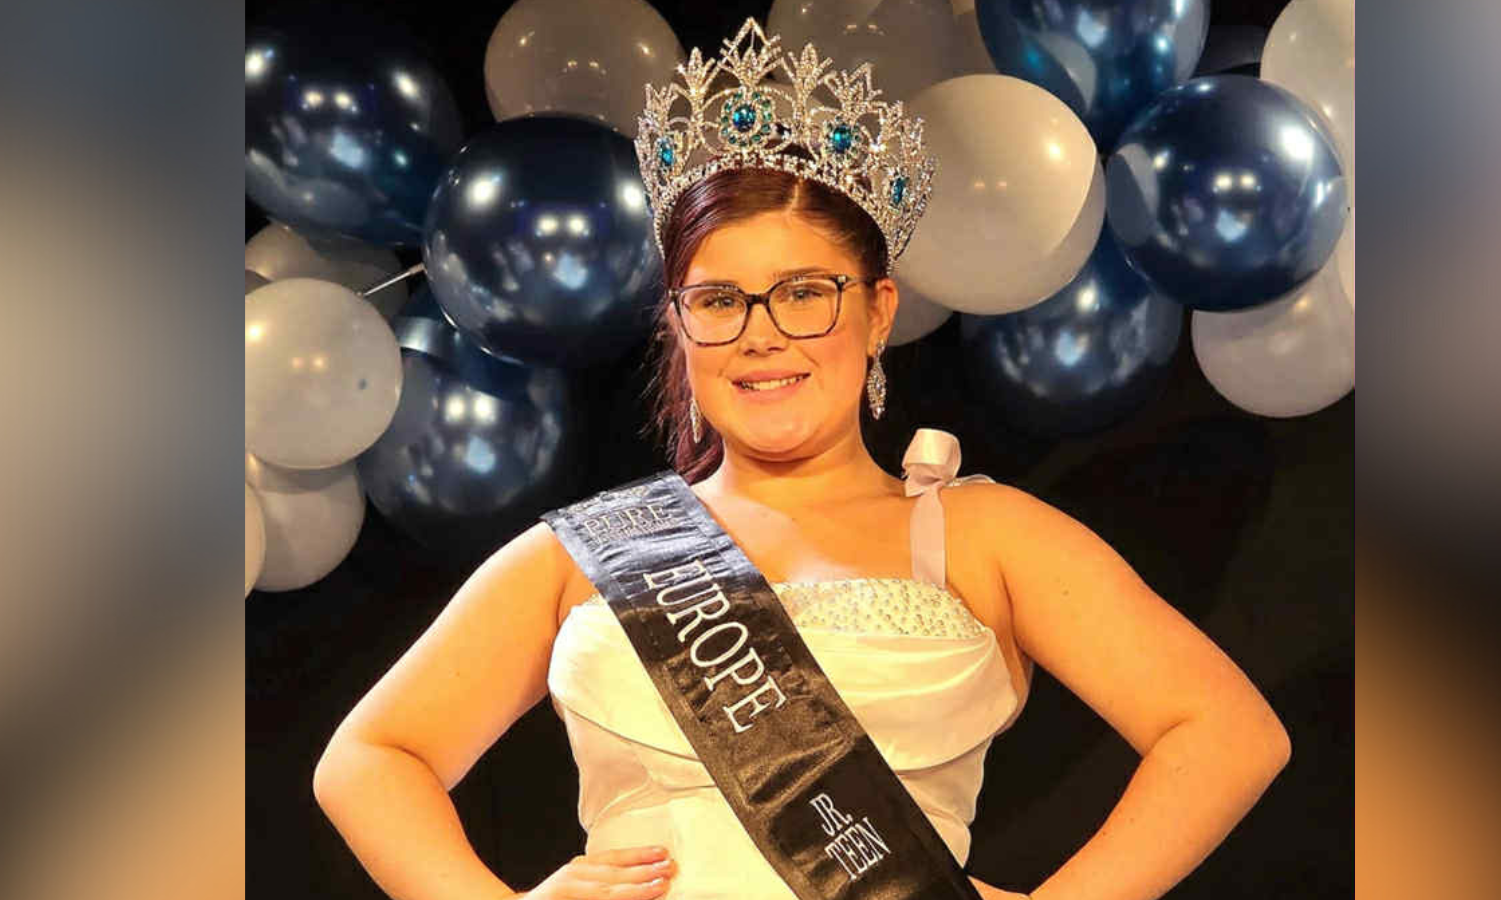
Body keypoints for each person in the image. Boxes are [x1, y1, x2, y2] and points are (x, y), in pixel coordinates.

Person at [312, 18, 1291, 900]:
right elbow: (368, 758)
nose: (761, 335)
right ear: (679, 325)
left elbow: (1225, 734)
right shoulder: (583, 553)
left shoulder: (985, 536)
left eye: (803, 293)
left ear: (877, 311)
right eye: (719, 300)